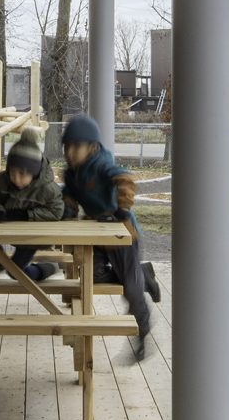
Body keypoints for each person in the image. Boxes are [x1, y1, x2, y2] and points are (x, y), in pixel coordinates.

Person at [59, 113, 158, 357]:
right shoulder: (71, 173)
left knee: (131, 290)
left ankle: (142, 332)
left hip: (122, 234)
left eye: (77, 146)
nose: (72, 152)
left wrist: (122, 209)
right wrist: (68, 210)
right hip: (97, 233)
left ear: (92, 146)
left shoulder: (101, 163)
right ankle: (143, 275)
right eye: (68, 146)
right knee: (92, 275)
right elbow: (69, 194)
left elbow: (125, 179)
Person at [0, 127, 61, 280]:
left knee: (15, 272)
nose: (16, 179)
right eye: (12, 173)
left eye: (22, 174)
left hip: (32, 237)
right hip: (5, 229)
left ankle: (47, 268)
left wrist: (27, 215)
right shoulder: (3, 181)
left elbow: (56, 211)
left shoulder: (47, 189)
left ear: (34, 173)